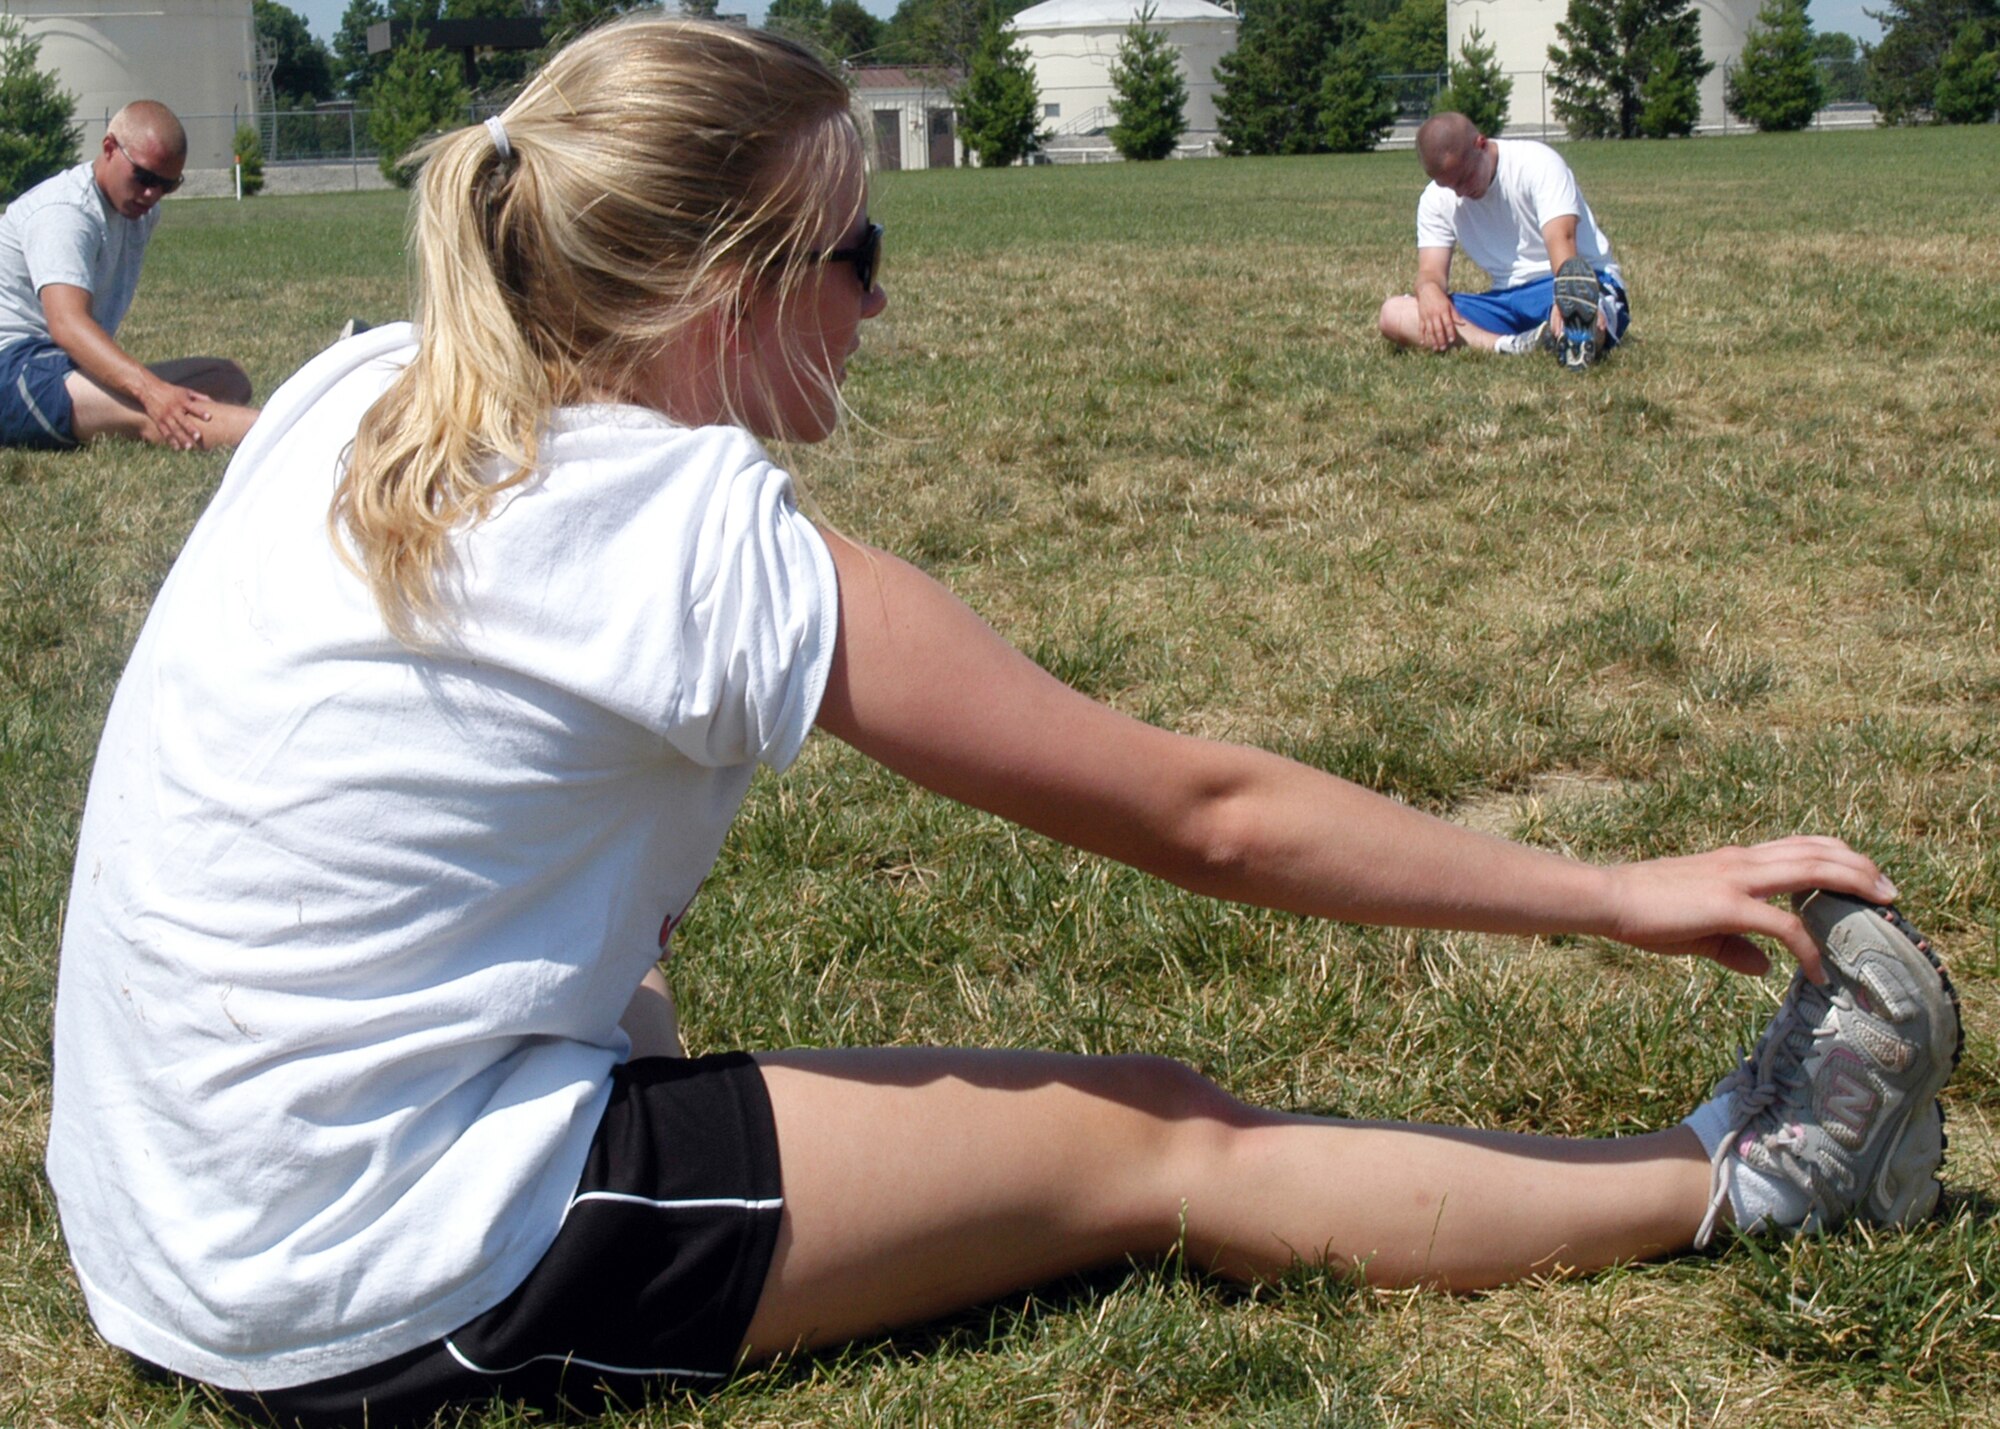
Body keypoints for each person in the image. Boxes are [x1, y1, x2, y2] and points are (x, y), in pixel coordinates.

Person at [46, 19, 1958, 1429]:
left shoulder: (357, 386)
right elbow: (1204, 812)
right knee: (1153, 1133)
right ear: (730, 288)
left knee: (639, 979)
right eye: (859, 256)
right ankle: (1756, 1173)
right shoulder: (680, 528)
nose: (883, 306)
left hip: (169, 1214)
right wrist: (1616, 884)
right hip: (359, 1272)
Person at [0, 101, 258, 451]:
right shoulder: (66, 214)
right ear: (109, 148)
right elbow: (66, 324)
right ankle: (321, 434)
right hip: (15, 369)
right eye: (145, 177)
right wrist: (152, 392)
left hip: (62, 365)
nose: (152, 195)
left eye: (168, 185)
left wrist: (151, 389)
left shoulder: (138, 212)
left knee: (228, 379)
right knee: (154, 414)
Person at [1377, 112, 1631, 368]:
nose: (1460, 192)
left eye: (1465, 178)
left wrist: (1565, 296)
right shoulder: (1435, 199)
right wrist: (1428, 291)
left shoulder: (1537, 163)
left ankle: (1579, 328)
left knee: (1580, 310)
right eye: (1449, 186)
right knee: (1394, 314)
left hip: (1571, 279)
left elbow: (1562, 239)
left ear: (1481, 144)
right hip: (1505, 300)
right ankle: (1510, 345)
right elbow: (1431, 271)